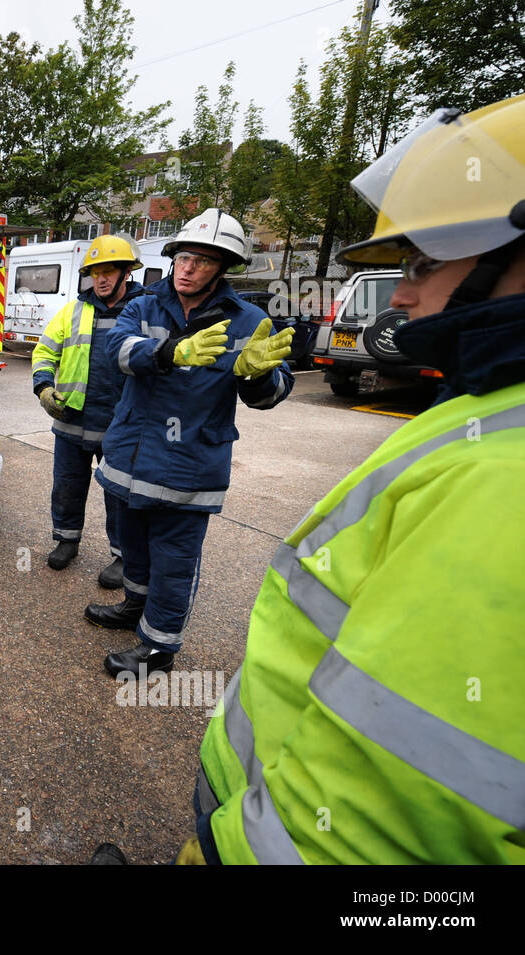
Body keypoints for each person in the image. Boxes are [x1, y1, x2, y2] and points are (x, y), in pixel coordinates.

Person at [189, 94, 525, 864]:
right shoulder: (486, 405)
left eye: (426, 263)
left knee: (170, 573)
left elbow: (400, 799)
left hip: (271, 843)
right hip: (254, 802)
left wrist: (255, 381)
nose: (402, 293)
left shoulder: (506, 471)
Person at [88, 209, 295, 677]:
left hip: (188, 467)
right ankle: (133, 609)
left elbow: (273, 394)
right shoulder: (143, 305)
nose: (187, 268)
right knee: (134, 549)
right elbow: (114, 350)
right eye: (183, 257)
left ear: (222, 267)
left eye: (201, 261)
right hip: (129, 459)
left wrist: (259, 375)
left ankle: (159, 648)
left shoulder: (248, 321)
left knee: (174, 562)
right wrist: (167, 351)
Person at [32, 234, 145, 581]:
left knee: (120, 495)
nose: (101, 279)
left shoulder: (143, 311)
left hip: (120, 426)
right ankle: (66, 541)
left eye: (110, 271)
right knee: (66, 485)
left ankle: (124, 556)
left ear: (127, 273)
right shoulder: (72, 311)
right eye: (96, 272)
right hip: (71, 420)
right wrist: (44, 387)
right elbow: (45, 352)